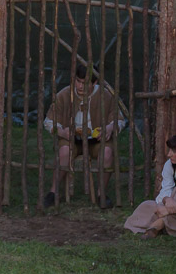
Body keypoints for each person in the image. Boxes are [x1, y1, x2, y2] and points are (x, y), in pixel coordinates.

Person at [42, 63, 125, 208]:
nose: (80, 86)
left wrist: (109, 128)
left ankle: (101, 194)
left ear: (95, 82)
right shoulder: (64, 95)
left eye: (85, 83)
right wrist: (62, 132)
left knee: (107, 153)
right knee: (64, 151)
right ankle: (53, 192)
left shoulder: (105, 95)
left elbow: (119, 119)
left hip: (96, 140)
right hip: (71, 140)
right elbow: (48, 121)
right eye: (78, 81)